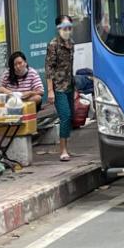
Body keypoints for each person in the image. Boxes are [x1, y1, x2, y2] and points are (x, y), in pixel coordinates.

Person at [46, 15, 75, 161]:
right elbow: (49, 68)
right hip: (58, 87)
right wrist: (50, 90)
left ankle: (67, 147)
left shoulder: (71, 43)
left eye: (69, 27)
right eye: (64, 27)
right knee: (65, 116)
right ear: (58, 28)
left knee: (71, 117)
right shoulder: (53, 45)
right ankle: (62, 150)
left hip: (70, 84)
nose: (67, 30)